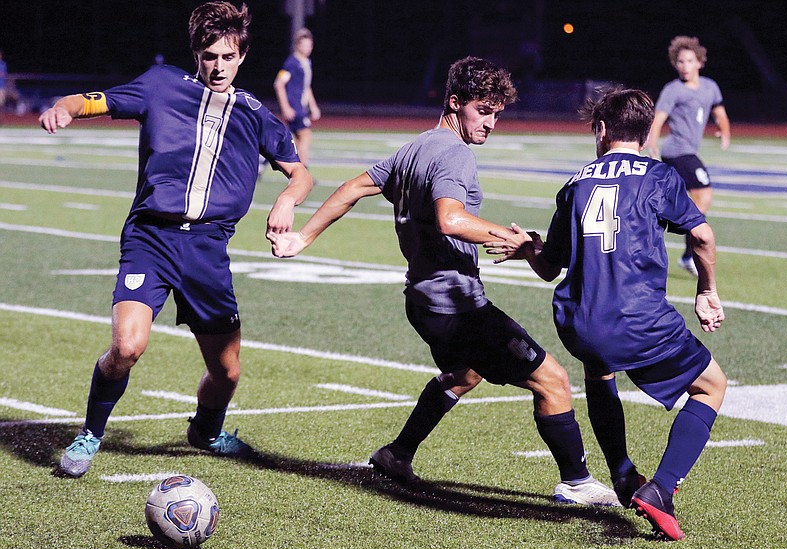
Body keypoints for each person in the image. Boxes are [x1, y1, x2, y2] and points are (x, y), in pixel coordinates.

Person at [269, 56, 619, 507]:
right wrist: (514, 239)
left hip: (421, 299)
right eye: (484, 110)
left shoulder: (416, 146)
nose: (492, 122)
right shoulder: (454, 153)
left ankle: (397, 454)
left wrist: (304, 235)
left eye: (497, 112)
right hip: (456, 305)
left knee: (464, 373)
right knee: (552, 380)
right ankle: (575, 481)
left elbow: (354, 187)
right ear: (455, 102)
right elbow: (451, 219)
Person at [38, 1, 313, 478]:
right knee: (126, 347)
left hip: (207, 249)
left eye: (228, 57)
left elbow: (301, 174)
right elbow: (95, 100)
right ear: (196, 54)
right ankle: (90, 433)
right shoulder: (162, 86)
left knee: (227, 373)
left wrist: (288, 199)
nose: (219, 66)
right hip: (151, 238)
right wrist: (64, 107)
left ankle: (206, 430)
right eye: (209, 56)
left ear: (242, 56)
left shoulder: (255, 114)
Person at [485, 86, 728, 540]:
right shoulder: (659, 176)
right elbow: (703, 239)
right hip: (637, 319)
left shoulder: (575, 183)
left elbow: (549, 266)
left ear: (600, 130)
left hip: (579, 320)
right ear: (645, 131)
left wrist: (527, 249)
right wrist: (705, 290)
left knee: (599, 372)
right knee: (712, 386)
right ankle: (662, 488)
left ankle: (621, 474)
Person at [645, 36, 730, 277]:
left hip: (690, 150)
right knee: (704, 192)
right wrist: (652, 143)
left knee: (683, 202)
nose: (684, 66)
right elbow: (659, 118)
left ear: (700, 62)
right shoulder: (673, 90)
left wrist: (725, 132)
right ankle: (689, 252)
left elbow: (720, 112)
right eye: (680, 61)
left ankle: (673, 240)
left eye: (689, 61)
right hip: (676, 151)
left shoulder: (710, 86)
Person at [274, 27, 321, 165]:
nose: (308, 48)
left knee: (293, 140)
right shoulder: (292, 63)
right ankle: (303, 172)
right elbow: (279, 84)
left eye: (310, 45)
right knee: (305, 136)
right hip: (295, 107)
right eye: (304, 45)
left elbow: (306, 87)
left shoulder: (306, 62)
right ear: (297, 45)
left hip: (301, 107)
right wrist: (286, 107)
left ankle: (265, 162)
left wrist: (313, 106)